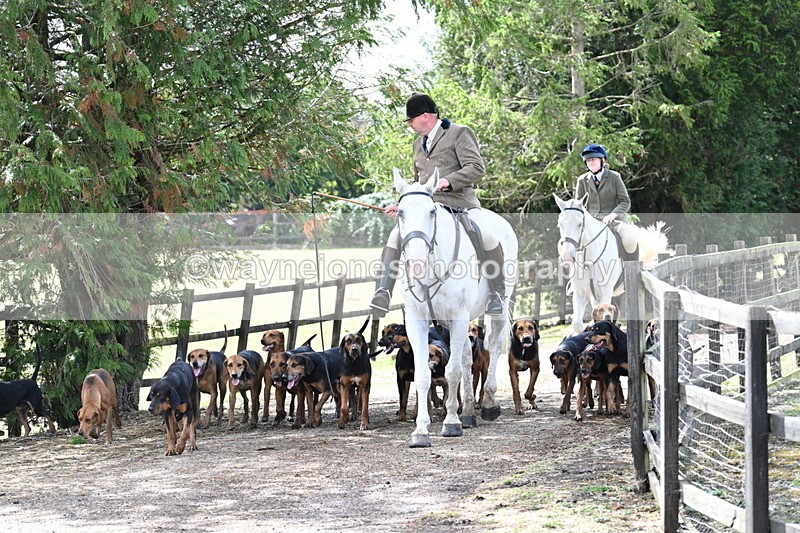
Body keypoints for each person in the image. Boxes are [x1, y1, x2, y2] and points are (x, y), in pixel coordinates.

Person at [369, 92, 506, 318]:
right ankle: (382, 292)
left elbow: (476, 167)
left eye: (410, 120)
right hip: (428, 208)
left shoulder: (458, 133)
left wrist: (448, 181)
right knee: (395, 236)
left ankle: (496, 292)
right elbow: (417, 183)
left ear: (424, 116)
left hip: (461, 204)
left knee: (488, 236)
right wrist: (402, 205)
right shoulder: (417, 144)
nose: (410, 125)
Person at [574, 143, 638, 256]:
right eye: (588, 161)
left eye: (593, 159)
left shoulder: (614, 177)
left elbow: (625, 201)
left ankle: (632, 271)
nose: (590, 162)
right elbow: (578, 206)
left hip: (614, 222)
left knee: (630, 240)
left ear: (602, 160)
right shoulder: (582, 180)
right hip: (591, 223)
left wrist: (613, 215)